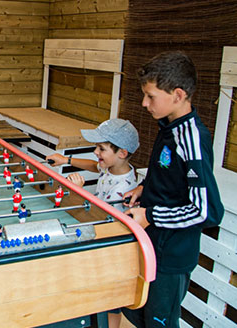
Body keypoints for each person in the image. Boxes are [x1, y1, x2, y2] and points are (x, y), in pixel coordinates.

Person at [121, 51, 224, 328]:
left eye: (151, 96)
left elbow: (208, 212)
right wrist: (143, 188)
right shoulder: (168, 125)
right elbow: (169, 175)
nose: (144, 103)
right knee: (134, 313)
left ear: (178, 95)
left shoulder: (191, 138)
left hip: (170, 257)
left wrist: (151, 216)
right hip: (151, 244)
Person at [46, 117, 140, 327]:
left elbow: (99, 216)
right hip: (105, 244)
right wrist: (66, 160)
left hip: (113, 249)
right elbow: (95, 167)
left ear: (122, 153)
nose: (96, 153)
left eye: (101, 149)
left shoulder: (123, 189)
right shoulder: (114, 168)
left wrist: (78, 193)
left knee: (111, 300)